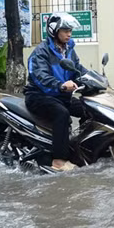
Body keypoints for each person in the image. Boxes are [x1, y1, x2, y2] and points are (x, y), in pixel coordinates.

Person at [24, 13, 87, 172]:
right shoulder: (41, 52)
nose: (69, 34)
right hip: (39, 96)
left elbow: (78, 70)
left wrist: (94, 78)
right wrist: (61, 86)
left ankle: (82, 148)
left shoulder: (69, 49)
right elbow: (40, 77)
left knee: (88, 108)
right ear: (54, 30)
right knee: (62, 114)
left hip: (60, 95)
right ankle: (59, 160)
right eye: (65, 30)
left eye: (70, 30)